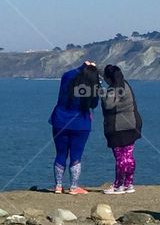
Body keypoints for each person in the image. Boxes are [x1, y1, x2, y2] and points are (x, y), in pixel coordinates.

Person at [49, 61, 100, 194]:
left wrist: (83, 66)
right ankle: (73, 187)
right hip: (81, 123)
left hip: (60, 119)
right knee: (76, 155)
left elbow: (72, 74)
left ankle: (58, 186)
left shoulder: (67, 76)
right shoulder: (92, 82)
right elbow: (94, 104)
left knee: (60, 153)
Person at [101, 64, 142, 194]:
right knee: (128, 156)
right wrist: (95, 68)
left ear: (109, 79)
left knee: (120, 157)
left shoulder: (115, 89)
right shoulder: (125, 84)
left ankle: (117, 186)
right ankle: (128, 184)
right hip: (133, 124)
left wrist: (101, 92)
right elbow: (109, 72)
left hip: (118, 127)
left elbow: (108, 104)